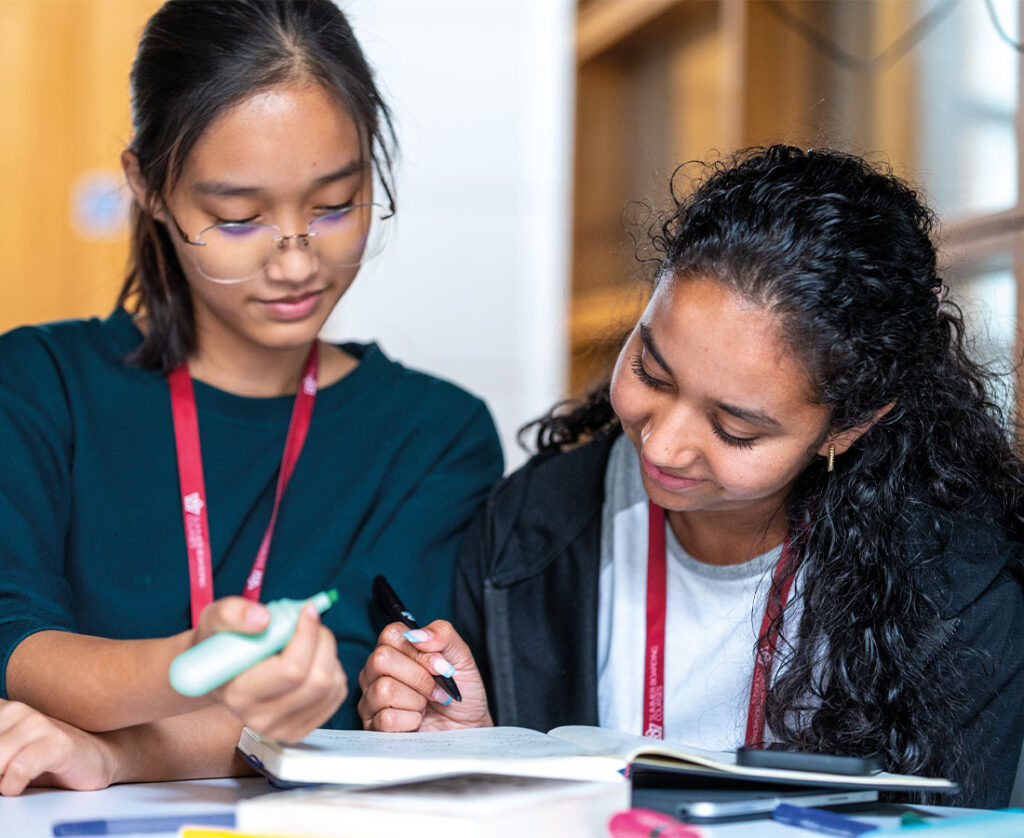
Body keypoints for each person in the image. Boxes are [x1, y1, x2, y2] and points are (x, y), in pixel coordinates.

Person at [358, 145, 1024, 808]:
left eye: (735, 428)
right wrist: (474, 759)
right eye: (651, 371)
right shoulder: (527, 536)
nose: (666, 446)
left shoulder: (958, 597)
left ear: (848, 427)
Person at [0, 0, 502, 795]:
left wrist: (118, 755)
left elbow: (342, 697)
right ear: (150, 189)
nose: (297, 262)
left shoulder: (436, 435)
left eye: (335, 206)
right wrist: (194, 666)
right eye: (238, 217)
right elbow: (14, 643)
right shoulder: (37, 384)